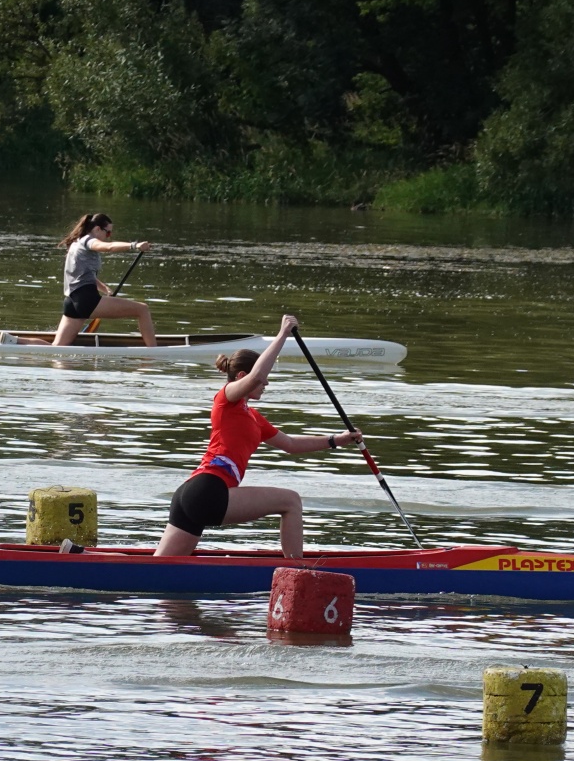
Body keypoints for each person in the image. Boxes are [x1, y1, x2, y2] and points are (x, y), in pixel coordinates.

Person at [156, 314, 361, 559]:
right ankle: (297, 572)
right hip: (208, 490)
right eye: (263, 379)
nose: (266, 384)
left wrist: (336, 440)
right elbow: (256, 376)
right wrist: (282, 334)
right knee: (291, 501)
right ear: (242, 377)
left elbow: (290, 444)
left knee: (158, 569)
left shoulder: (252, 417)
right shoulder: (226, 399)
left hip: (193, 494)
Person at [51, 212, 155, 346]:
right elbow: (109, 247)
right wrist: (134, 245)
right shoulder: (89, 241)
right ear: (97, 229)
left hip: (71, 301)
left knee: (57, 346)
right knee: (142, 310)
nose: (108, 236)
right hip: (87, 300)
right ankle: (154, 352)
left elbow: (84, 275)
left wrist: (105, 288)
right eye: (108, 233)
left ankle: (22, 342)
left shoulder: (76, 244)